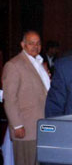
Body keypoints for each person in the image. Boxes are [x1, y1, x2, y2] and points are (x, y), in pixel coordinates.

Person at [2, 30, 50, 165]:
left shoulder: (40, 63)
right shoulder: (14, 65)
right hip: (26, 128)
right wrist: (17, 125)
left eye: (38, 43)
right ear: (23, 45)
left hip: (42, 126)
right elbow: (10, 99)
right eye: (31, 43)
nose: (35, 46)